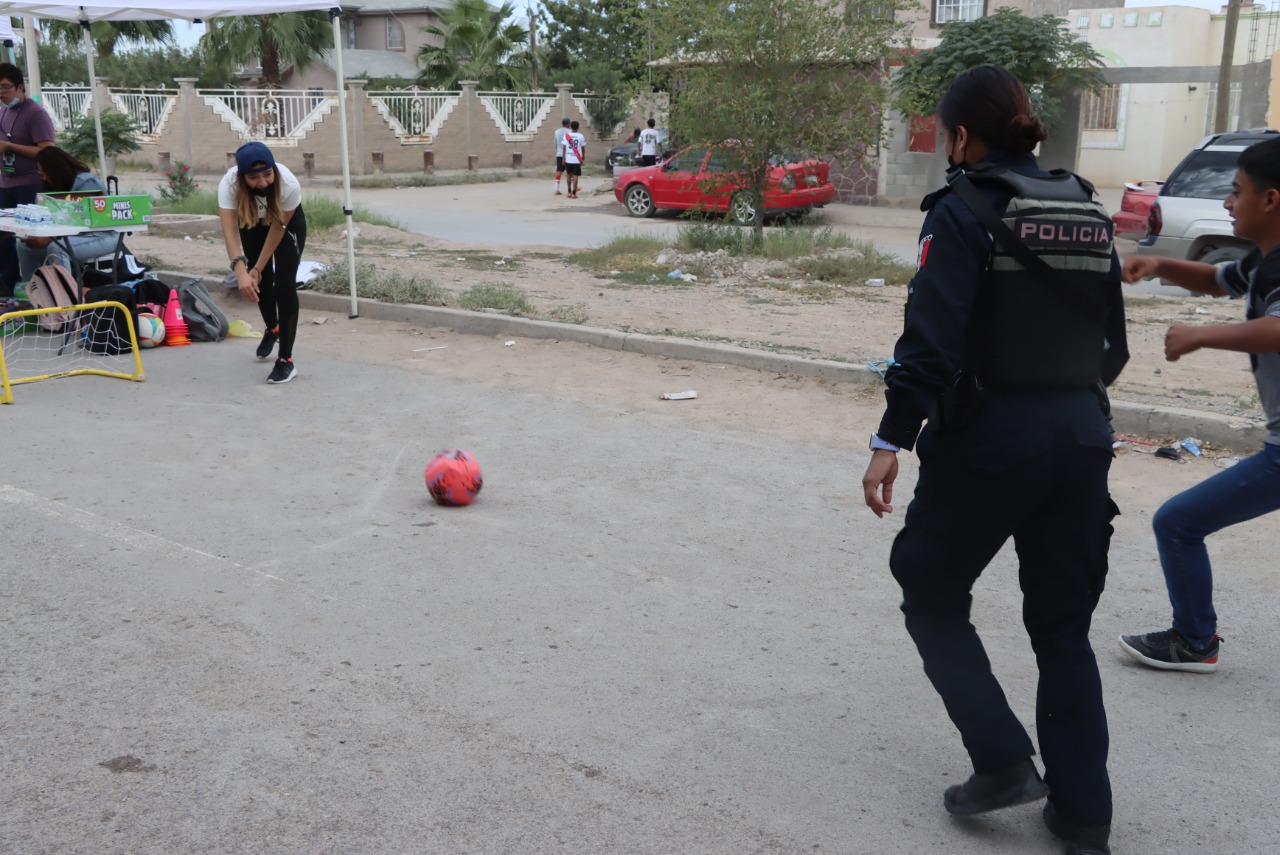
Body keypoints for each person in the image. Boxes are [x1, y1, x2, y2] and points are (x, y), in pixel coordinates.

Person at [861, 66, 1128, 855]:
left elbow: (930, 342)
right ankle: (1085, 819)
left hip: (990, 439)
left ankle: (1003, 759)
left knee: (929, 587)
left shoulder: (962, 208)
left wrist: (891, 438)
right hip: (1083, 435)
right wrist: (1066, 404)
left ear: (961, 137)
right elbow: (1112, 344)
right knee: (1063, 630)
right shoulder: (1086, 206)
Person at [1118, 137, 1280, 674]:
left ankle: (1194, 641)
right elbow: (1215, 280)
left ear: (1271, 200)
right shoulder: (1263, 262)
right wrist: (1158, 264)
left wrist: (1200, 337)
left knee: (1178, 523)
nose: (1228, 203)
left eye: (1236, 192)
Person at [218, 141, 307, 384]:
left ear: (274, 171)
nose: (263, 183)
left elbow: (279, 228)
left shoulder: (288, 184)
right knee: (261, 282)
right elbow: (230, 233)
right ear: (242, 177)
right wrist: (242, 270)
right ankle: (273, 328)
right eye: (254, 178)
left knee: (284, 285)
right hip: (252, 223)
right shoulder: (229, 185)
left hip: (284, 224)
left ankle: (286, 360)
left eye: (267, 175)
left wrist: (257, 266)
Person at [16, 147, 116, 284]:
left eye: (45, 173)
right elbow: (42, 212)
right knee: (23, 246)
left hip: (100, 236)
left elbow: (82, 221)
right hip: (64, 237)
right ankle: (32, 292)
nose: (44, 177)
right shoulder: (52, 185)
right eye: (41, 174)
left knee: (57, 248)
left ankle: (65, 298)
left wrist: (51, 238)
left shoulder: (87, 184)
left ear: (57, 170)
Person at [0, 63, 56, 296]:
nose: (1, 93)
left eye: (5, 87)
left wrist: (11, 146)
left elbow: (48, 151)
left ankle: (42, 288)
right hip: (5, 183)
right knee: (4, 239)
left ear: (20, 87)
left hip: (30, 184)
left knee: (30, 238)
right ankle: (8, 290)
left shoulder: (36, 113)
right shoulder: (3, 111)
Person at [563, 120, 586, 199]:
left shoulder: (566, 135)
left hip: (568, 158)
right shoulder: (580, 136)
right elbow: (583, 147)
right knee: (575, 176)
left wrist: (563, 157)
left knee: (569, 175)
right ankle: (574, 193)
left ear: (571, 127)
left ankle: (569, 192)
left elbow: (564, 147)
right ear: (578, 127)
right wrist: (583, 156)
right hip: (576, 159)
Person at [554, 117, 571, 196]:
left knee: (559, 171)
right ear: (568, 124)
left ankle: (556, 189)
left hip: (559, 153)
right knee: (570, 172)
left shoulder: (556, 132)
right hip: (568, 154)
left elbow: (555, 144)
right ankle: (571, 189)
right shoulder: (570, 132)